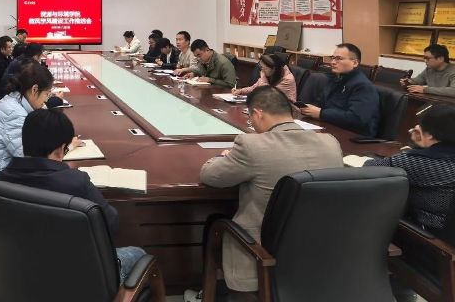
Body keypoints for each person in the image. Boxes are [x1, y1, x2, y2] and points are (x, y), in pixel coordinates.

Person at [187, 87, 343, 301]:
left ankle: (211, 294)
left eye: (250, 118)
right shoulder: (330, 142)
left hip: (264, 250)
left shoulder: (252, 145)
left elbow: (210, 176)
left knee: (215, 222)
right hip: (319, 247)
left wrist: (222, 157)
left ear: (258, 113)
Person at [0, 109, 146, 282]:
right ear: (61, 149)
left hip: (15, 277)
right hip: (76, 277)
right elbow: (110, 223)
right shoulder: (76, 182)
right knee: (138, 254)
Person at [0, 62, 72, 181]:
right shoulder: (14, 114)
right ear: (34, 89)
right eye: (47, 94)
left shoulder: (16, 98)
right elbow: (31, 161)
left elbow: (43, 113)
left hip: (0, 176)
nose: (46, 100)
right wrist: (65, 148)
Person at [365, 103, 455, 231]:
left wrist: (415, 145)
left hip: (425, 230)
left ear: (430, 134)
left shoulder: (421, 161)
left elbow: (369, 168)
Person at [299, 43, 379, 137]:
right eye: (333, 58)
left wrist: (321, 114)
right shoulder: (336, 79)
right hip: (330, 128)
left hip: (354, 137)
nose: (333, 62)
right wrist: (307, 109)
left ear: (355, 63)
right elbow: (321, 102)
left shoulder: (363, 86)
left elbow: (356, 118)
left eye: (339, 59)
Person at [0, 43, 65, 108]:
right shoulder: (26, 66)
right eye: (41, 56)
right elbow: (34, 101)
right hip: (6, 96)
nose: (40, 59)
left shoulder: (22, 60)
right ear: (35, 57)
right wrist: (56, 100)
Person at [232, 53, 297, 102]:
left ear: (273, 69)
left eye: (263, 68)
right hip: (272, 107)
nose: (261, 70)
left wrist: (263, 78)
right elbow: (254, 87)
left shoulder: (288, 79)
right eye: (261, 67)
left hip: (287, 110)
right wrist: (241, 91)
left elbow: (268, 94)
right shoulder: (270, 74)